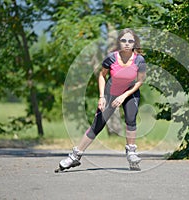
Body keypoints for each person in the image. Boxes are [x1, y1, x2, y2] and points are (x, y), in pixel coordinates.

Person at [56, 28, 146, 172]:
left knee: (131, 118)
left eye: (130, 41)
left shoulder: (139, 60)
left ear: (135, 43)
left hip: (130, 92)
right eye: (123, 40)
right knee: (98, 124)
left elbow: (140, 81)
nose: (127, 44)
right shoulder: (111, 58)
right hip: (111, 91)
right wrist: (102, 97)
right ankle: (75, 156)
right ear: (119, 42)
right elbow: (101, 76)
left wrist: (124, 96)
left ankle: (131, 153)